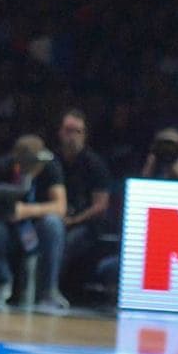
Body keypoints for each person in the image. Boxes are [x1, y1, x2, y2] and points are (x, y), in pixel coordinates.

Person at [0, 134, 70, 311]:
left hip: (36, 226)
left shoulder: (50, 164)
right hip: (5, 227)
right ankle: (2, 282)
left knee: (53, 223)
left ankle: (49, 291)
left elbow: (60, 207)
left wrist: (26, 211)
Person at [54, 109, 115, 301]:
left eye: (77, 131)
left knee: (67, 241)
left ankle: (52, 289)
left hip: (85, 224)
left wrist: (73, 220)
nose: (71, 136)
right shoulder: (52, 161)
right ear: (60, 132)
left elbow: (100, 205)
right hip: (54, 217)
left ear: (84, 135)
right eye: (68, 130)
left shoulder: (95, 164)